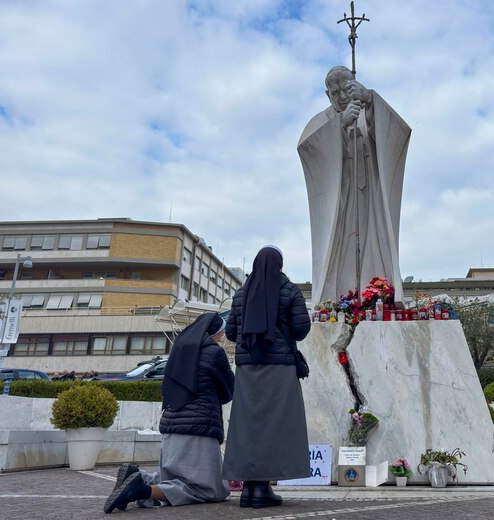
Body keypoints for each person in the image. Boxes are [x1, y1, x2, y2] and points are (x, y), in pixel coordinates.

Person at [298, 66, 411, 305]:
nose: (340, 97)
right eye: (334, 92)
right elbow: (308, 150)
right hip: (340, 198)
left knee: (374, 238)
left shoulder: (366, 108)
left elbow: (398, 133)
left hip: (370, 195)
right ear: (327, 94)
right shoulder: (322, 120)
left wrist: (370, 100)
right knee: (341, 245)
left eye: (345, 90)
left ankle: (377, 295)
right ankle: (338, 299)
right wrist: (338, 125)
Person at [103, 313, 234, 513]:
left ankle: (140, 477)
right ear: (215, 332)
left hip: (171, 428)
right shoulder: (214, 352)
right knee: (209, 490)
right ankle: (141, 489)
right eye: (221, 331)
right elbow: (229, 390)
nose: (222, 335)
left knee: (174, 478)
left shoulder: (179, 349)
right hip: (199, 430)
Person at [222, 246, 311, 509]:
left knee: (247, 426)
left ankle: (249, 489)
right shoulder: (290, 290)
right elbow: (301, 328)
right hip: (279, 368)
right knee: (276, 427)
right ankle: (262, 488)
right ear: (280, 265)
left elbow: (230, 333)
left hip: (248, 369)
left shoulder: (241, 294)